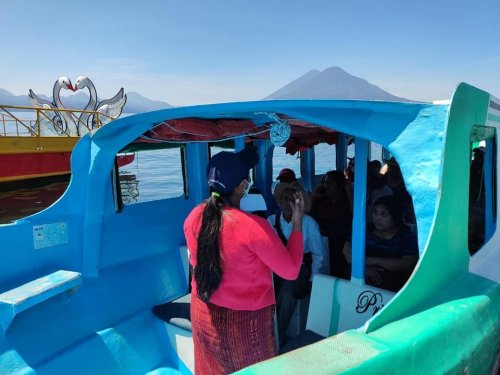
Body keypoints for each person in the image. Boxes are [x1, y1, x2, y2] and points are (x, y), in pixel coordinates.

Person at [184, 147, 305, 375]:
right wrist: (297, 222)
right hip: (244, 326)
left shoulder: (193, 216)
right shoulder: (254, 227)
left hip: (204, 314)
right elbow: (290, 272)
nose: (249, 180)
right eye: (247, 177)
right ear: (242, 187)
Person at [267, 182, 327, 346]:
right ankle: (262, 331)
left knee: (286, 294)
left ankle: (276, 337)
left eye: (293, 199)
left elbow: (318, 255)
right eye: (285, 199)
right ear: (280, 201)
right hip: (275, 268)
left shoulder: (309, 223)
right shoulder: (270, 221)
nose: (289, 203)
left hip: (300, 269)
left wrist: (312, 280)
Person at [343, 195, 419, 292]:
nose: (377, 218)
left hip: (393, 292)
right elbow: (347, 250)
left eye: (383, 214)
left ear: (395, 218)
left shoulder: (407, 237)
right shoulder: (364, 230)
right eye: (375, 212)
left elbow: (407, 264)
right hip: (358, 286)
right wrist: (363, 267)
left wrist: (372, 261)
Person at [309, 170, 352, 279]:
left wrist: (349, 193)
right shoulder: (320, 200)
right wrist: (313, 196)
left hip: (341, 238)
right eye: (325, 183)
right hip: (322, 238)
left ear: (339, 186)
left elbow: (355, 215)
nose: (326, 186)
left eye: (331, 183)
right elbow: (309, 216)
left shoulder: (346, 200)